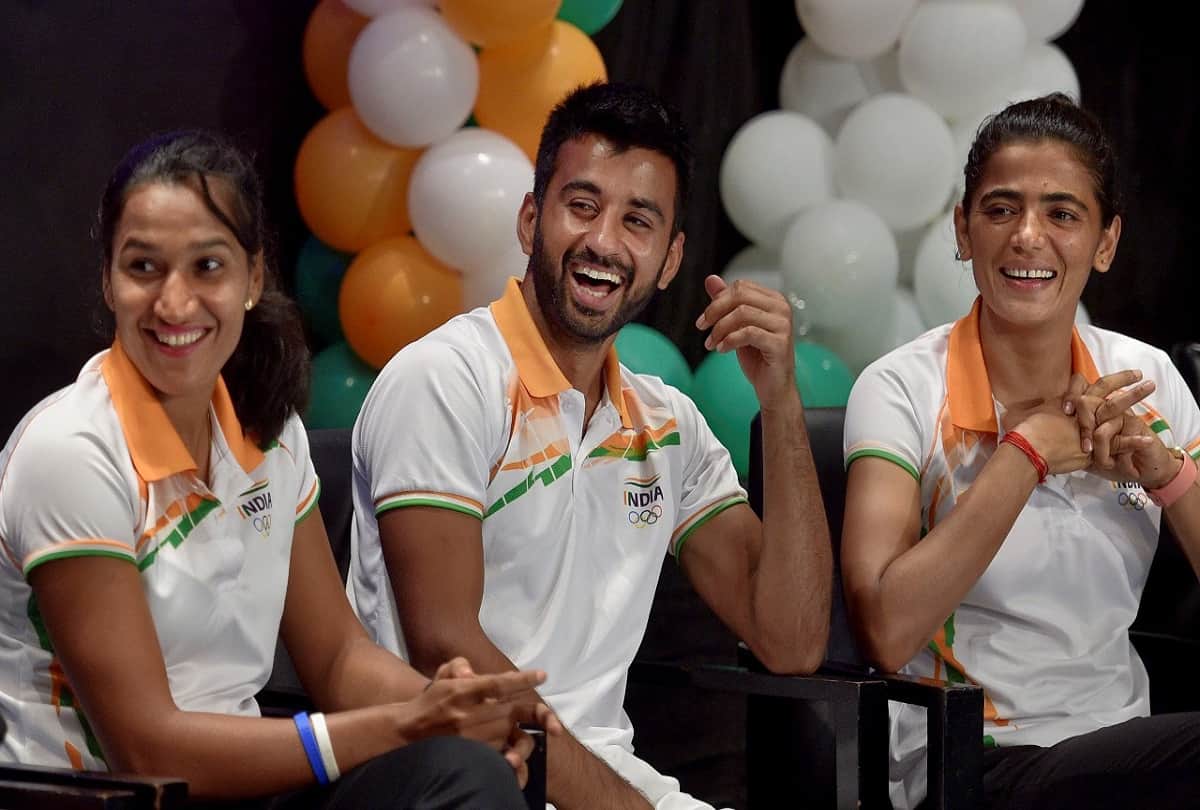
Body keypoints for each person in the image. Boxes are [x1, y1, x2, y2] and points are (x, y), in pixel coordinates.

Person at [0, 130, 557, 808]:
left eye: (208, 267)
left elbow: (337, 659)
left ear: (253, 279)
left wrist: (462, 714)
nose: (175, 304)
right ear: (107, 280)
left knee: (468, 770)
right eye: (143, 268)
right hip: (107, 798)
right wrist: (403, 724)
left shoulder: (271, 432)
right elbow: (144, 749)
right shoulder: (70, 452)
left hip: (243, 786)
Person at [348, 81, 832, 809]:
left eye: (637, 220)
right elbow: (447, 652)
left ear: (669, 261)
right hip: (463, 779)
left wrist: (783, 400)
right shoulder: (446, 379)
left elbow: (791, 640)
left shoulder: (668, 422)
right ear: (529, 220)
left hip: (604, 780)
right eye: (582, 206)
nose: (603, 241)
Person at [841, 93, 1200, 810]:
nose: (1027, 236)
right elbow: (886, 627)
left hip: (1123, 746)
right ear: (963, 230)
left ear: (1106, 242)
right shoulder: (901, 388)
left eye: (1062, 214)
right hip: (973, 764)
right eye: (1001, 209)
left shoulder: (1147, 379)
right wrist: (1027, 452)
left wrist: (1169, 475)